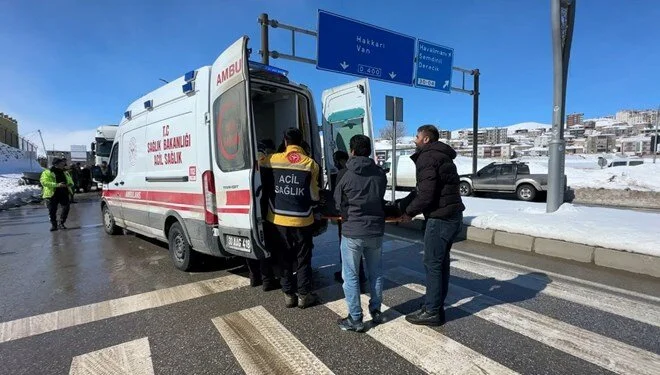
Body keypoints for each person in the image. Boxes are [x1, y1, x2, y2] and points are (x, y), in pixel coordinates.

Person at [398, 125, 465, 326]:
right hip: (452, 215)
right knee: (441, 263)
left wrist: (408, 213)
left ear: (426, 139)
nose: (414, 140)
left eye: (417, 137)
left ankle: (432, 311)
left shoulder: (427, 157)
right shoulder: (442, 155)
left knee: (433, 265)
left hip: (440, 218)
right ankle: (435, 305)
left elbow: (426, 195)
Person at [260, 128, 320, 309]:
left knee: (283, 257)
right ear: (301, 143)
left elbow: (256, 164)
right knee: (303, 258)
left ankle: (288, 294)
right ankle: (303, 295)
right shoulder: (311, 164)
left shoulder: (272, 160)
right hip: (303, 220)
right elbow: (314, 195)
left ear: (285, 142)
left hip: (278, 220)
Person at [334, 135, 387, 332]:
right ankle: (376, 311)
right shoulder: (380, 173)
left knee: (351, 275)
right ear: (369, 150)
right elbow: (380, 197)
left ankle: (355, 318)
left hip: (352, 231)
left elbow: (338, 202)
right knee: (376, 273)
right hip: (375, 230)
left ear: (352, 150)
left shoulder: (344, 173)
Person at [246, 139, 279, 291]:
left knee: (252, 244)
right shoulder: (266, 168)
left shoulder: (246, 167)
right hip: (265, 212)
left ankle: (254, 277)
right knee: (266, 246)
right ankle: (267, 280)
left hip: (247, 211)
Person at [330, 150, 367, 288]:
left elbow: (337, 197)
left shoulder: (342, 173)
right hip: (365, 217)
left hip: (348, 217)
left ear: (340, 160)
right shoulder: (366, 171)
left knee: (348, 249)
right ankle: (359, 275)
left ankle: (353, 277)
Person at [40, 158, 74, 231]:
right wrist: (57, 185)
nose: (63, 164)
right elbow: (44, 182)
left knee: (66, 208)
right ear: (56, 164)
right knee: (52, 210)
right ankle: (54, 225)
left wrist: (69, 184)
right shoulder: (47, 172)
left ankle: (61, 223)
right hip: (52, 194)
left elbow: (70, 181)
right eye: (62, 163)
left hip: (64, 192)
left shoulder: (65, 172)